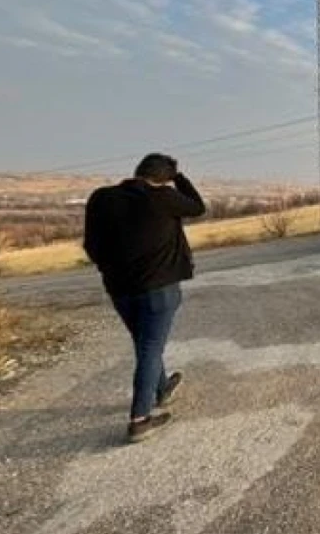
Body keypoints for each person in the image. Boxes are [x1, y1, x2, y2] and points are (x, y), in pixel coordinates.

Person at [83, 153, 206, 443]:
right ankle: (140, 419)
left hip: (119, 288)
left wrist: (108, 267)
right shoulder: (162, 197)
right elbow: (198, 207)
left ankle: (161, 389)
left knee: (145, 342)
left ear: (138, 171)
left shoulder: (101, 197)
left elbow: (91, 244)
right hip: (158, 288)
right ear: (164, 178)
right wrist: (179, 178)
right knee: (150, 346)